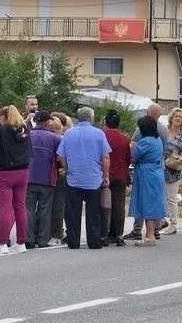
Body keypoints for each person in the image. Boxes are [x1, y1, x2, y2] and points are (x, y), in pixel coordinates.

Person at [57, 106, 111, 250]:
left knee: (72, 212)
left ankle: (73, 241)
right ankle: (93, 241)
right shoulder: (99, 134)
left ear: (78, 117)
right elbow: (105, 157)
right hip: (93, 179)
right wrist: (105, 175)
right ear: (91, 118)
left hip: (74, 178)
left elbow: (61, 155)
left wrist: (67, 169)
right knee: (94, 212)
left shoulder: (68, 133)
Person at [0, 105, 32, 255]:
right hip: (23, 171)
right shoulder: (24, 129)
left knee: (5, 209)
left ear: (4, 117)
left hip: (5, 172)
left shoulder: (0, 131)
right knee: (20, 207)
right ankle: (21, 242)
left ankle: (3, 243)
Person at [125, 103, 170, 241]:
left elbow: (134, 156)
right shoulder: (159, 138)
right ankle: (154, 230)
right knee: (155, 200)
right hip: (158, 170)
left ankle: (146, 232)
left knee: (145, 201)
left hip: (146, 172)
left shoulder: (145, 141)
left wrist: (132, 147)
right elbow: (166, 151)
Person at [26, 111, 61, 249]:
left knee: (28, 208)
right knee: (45, 209)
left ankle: (28, 238)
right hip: (47, 178)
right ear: (47, 122)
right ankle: (42, 239)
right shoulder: (55, 138)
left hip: (29, 177)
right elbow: (60, 158)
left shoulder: (28, 135)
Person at [103, 110, 132, 246]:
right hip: (120, 175)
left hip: (105, 174)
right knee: (119, 206)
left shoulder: (102, 136)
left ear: (105, 122)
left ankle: (104, 232)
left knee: (103, 204)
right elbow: (128, 159)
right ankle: (118, 233)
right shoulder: (125, 139)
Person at [161, 108, 182, 235]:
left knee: (171, 198)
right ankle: (160, 221)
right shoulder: (164, 131)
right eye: (176, 116)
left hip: (173, 169)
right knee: (159, 196)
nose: (178, 118)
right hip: (160, 166)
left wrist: (179, 158)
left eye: (180, 117)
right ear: (171, 118)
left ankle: (173, 224)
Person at [49, 112, 72, 244]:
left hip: (56, 174)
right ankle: (57, 232)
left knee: (55, 205)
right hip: (60, 173)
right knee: (59, 204)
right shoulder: (63, 139)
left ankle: (55, 232)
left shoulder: (60, 140)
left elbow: (61, 157)